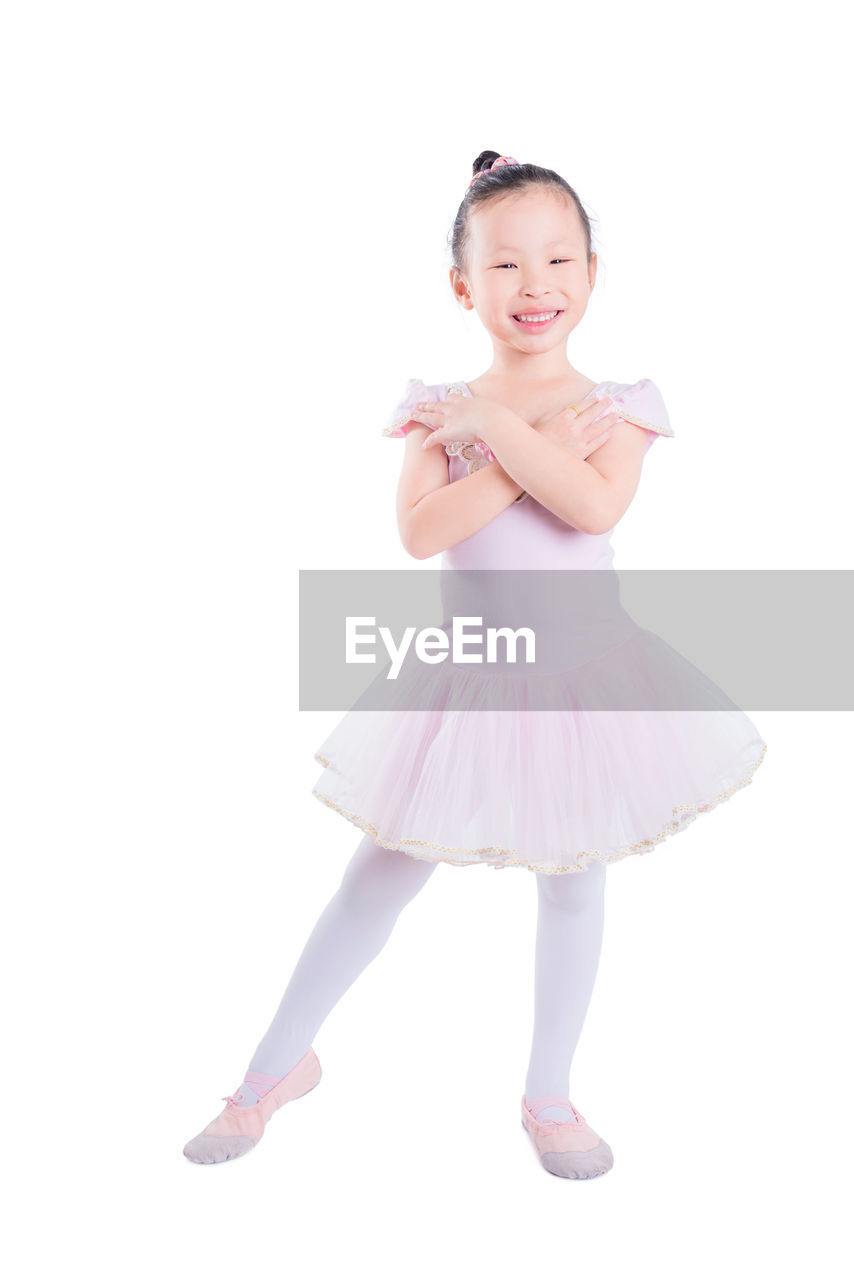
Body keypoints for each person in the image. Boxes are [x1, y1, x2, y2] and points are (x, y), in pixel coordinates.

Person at [183, 151, 767, 1179]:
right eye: (503, 265)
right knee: (379, 869)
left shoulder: (619, 404)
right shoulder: (429, 405)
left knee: (572, 879)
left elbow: (592, 506)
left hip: (587, 679)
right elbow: (420, 531)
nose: (532, 283)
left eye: (555, 258)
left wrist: (494, 426)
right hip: (464, 673)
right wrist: (509, 436)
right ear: (463, 286)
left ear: (590, 272)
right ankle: (270, 1069)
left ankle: (548, 1092)